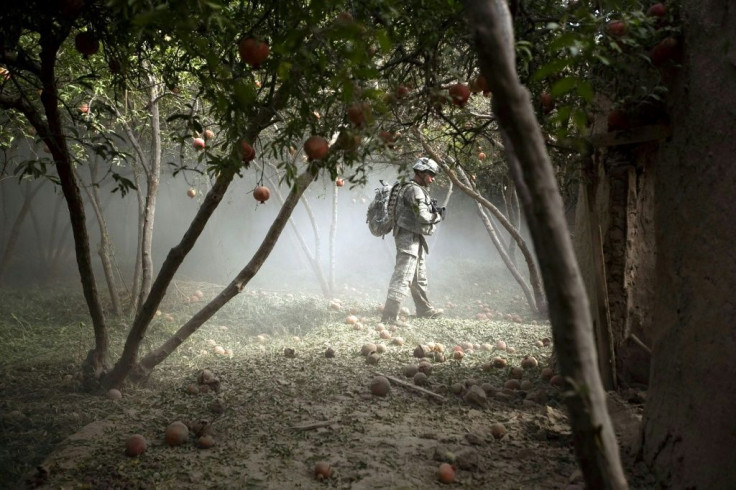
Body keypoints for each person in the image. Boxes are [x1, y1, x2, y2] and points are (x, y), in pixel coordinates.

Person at [381, 157, 445, 326]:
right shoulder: (414, 190)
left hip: (413, 235)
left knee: (418, 274)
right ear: (421, 172)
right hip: (407, 236)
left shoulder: (410, 188)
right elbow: (423, 216)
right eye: (430, 174)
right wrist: (437, 215)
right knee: (404, 274)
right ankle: (389, 316)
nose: (432, 179)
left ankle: (423, 309)